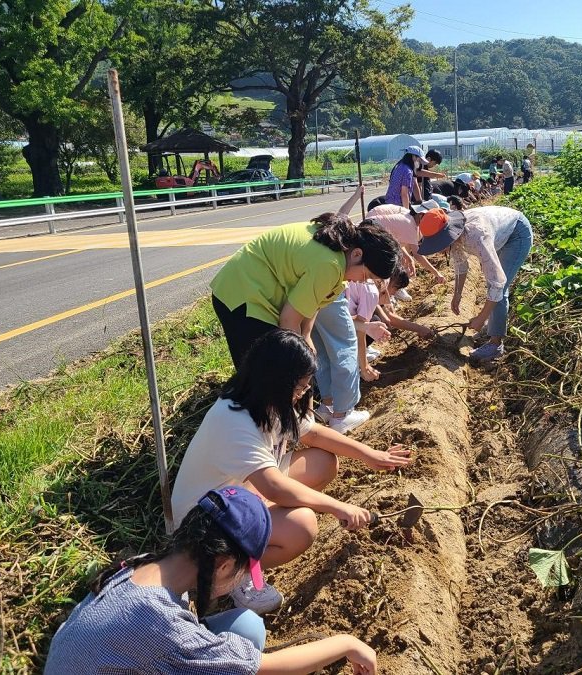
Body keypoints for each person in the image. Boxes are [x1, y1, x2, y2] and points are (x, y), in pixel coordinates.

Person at [171, 330, 412, 614]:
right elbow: (274, 487)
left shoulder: (265, 401)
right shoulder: (234, 420)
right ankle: (230, 573)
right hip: (203, 523)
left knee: (324, 462)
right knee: (302, 525)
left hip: (235, 493)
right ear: (276, 379)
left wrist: (370, 455)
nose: (303, 393)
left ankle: (255, 540)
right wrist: (339, 507)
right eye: (299, 387)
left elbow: (316, 436)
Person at [45, 485, 378, 674]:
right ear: (222, 563)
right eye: (246, 570)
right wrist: (348, 644)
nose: (244, 580)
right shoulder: (160, 624)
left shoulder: (141, 568)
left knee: (246, 627)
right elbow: (267, 668)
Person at [210, 188, 399, 369]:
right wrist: (301, 358)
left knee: (280, 368)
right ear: (357, 254)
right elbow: (288, 321)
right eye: (366, 276)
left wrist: (306, 336)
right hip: (242, 295)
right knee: (263, 372)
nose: (361, 282)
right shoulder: (330, 265)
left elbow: (311, 303)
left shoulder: (340, 255)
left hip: (257, 292)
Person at [417, 200, 533, 363]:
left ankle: (495, 345)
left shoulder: (477, 236)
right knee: (493, 286)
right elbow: (461, 264)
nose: (438, 249)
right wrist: (457, 294)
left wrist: (481, 317)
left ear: (447, 234)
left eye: (438, 244)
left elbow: (497, 282)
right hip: (499, 231)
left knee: (499, 288)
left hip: (516, 235)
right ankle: (493, 327)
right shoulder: (455, 234)